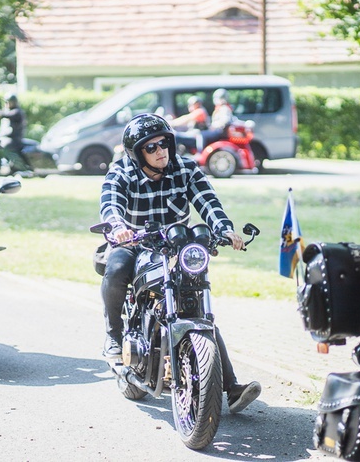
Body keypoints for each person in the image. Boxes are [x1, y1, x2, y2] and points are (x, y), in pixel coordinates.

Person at [99, 113, 261, 413]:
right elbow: (110, 203)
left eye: (165, 143)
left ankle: (231, 386)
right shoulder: (122, 172)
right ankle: (114, 335)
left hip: (178, 246)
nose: (161, 151)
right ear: (138, 153)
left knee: (195, 303)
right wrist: (117, 225)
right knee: (117, 267)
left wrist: (225, 230)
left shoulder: (186, 169)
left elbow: (208, 202)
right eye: (152, 147)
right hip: (136, 243)